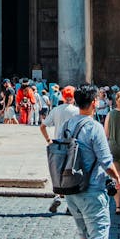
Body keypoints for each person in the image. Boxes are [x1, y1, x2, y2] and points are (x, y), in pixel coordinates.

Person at [62, 84, 120, 239]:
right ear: (94, 102)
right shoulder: (95, 127)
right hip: (92, 189)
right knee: (97, 238)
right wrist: (117, 178)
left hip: (71, 190)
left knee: (84, 236)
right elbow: (106, 161)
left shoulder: (66, 126)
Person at [40, 84, 79, 214]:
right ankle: (70, 205)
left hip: (57, 144)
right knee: (70, 174)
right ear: (74, 98)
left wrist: (48, 140)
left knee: (58, 173)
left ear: (63, 96)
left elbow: (43, 126)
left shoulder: (56, 110)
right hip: (72, 145)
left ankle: (57, 196)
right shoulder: (76, 111)